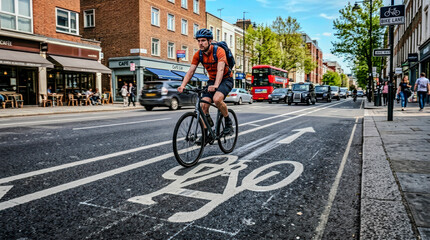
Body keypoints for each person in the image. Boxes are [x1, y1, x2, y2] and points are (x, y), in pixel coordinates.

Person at [177, 28, 234, 145]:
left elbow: (221, 69)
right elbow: (191, 71)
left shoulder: (219, 51)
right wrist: (182, 85)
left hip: (226, 79)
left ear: (209, 41)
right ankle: (207, 133)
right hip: (212, 80)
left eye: (203, 40)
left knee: (217, 99)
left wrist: (216, 85)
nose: (200, 43)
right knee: (203, 105)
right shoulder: (198, 54)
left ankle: (228, 122)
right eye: (198, 41)